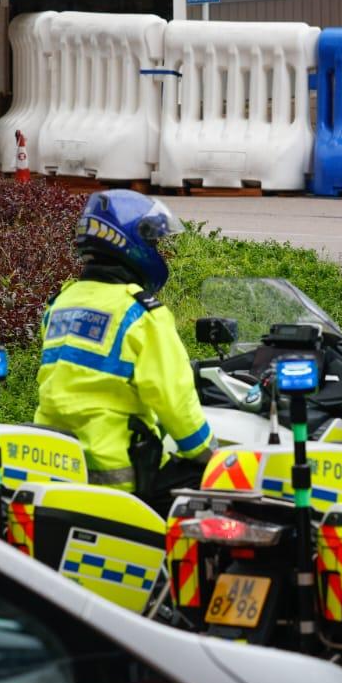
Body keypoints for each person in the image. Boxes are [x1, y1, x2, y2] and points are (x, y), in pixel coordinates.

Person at [34, 190, 214, 509]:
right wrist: (207, 452)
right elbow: (173, 398)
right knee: (217, 484)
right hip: (121, 478)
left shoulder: (61, 303)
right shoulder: (141, 314)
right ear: (132, 243)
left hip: (57, 467)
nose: (158, 250)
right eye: (154, 242)